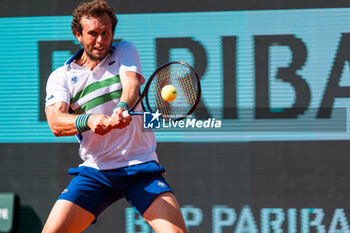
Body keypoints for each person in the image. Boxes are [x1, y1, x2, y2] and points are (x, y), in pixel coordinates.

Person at [41, 0, 188, 232]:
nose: (100, 40)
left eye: (105, 33)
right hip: (95, 172)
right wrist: (88, 120)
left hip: (140, 169)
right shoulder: (61, 76)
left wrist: (122, 106)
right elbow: (56, 123)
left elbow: (130, 86)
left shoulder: (124, 50)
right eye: (93, 33)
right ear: (77, 34)